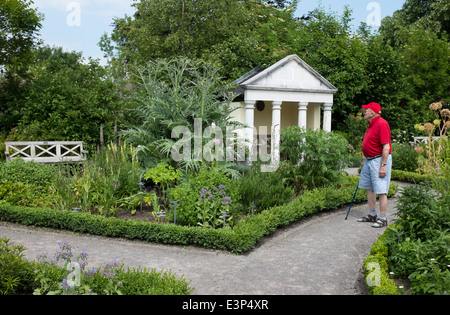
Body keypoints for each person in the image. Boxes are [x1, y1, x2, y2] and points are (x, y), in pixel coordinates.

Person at [357, 102, 392, 228]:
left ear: (372, 112)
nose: (364, 112)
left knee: (381, 190)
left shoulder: (382, 123)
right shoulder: (371, 124)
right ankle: (372, 215)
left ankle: (383, 218)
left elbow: (386, 146)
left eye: (366, 110)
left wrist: (383, 165)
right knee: (369, 187)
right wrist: (366, 159)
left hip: (379, 160)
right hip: (370, 160)